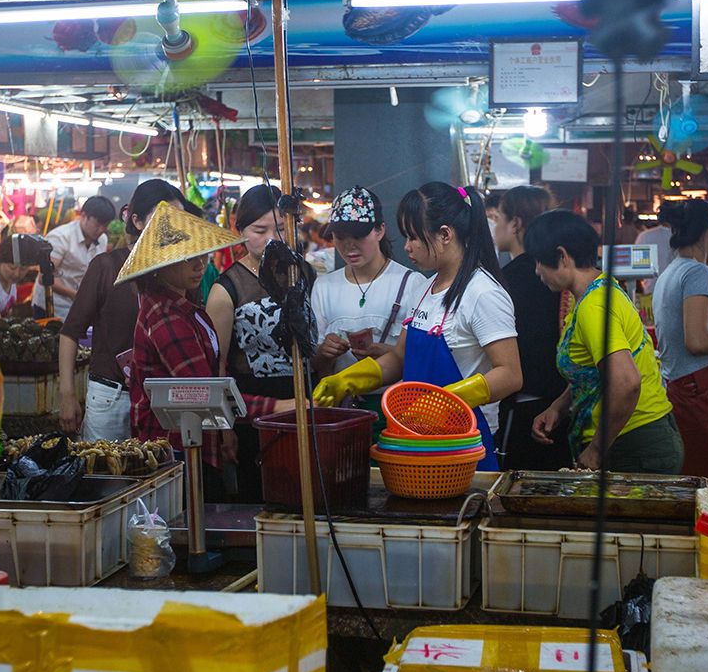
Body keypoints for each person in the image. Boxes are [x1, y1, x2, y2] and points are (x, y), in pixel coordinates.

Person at [313, 183, 523, 470]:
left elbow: (510, 374)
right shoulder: (424, 289)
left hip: (463, 439)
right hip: (416, 435)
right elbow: (400, 357)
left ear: (445, 234)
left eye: (413, 237)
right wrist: (348, 379)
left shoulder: (483, 293)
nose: (407, 246)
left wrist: (443, 404)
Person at [121, 202, 291, 501]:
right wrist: (278, 407)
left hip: (192, 442)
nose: (200, 264)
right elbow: (204, 393)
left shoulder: (181, 304)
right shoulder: (166, 317)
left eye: (202, 254)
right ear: (162, 264)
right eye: (188, 258)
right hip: (174, 451)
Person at [522, 210, 682, 473]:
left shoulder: (594, 306)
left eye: (540, 261)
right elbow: (594, 373)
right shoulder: (591, 293)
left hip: (635, 444)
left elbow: (626, 382)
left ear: (562, 256)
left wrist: (596, 449)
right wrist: (558, 408)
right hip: (633, 438)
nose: (537, 271)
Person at [58, 179, 188, 440]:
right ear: (137, 221)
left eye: (179, 219)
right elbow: (70, 332)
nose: (171, 227)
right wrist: (68, 395)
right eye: (162, 218)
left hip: (162, 401)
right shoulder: (106, 267)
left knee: (161, 477)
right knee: (109, 476)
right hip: (112, 397)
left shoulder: (181, 272)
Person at [310, 187, 429, 433]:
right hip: (341, 410)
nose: (349, 246)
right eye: (340, 236)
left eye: (359, 235)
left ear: (380, 230)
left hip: (396, 407)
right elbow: (316, 363)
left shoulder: (411, 283)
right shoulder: (324, 286)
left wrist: (390, 354)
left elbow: (422, 359)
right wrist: (325, 352)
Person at [206, 185, 299, 501]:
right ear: (240, 229)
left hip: (301, 395)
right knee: (261, 494)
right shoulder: (226, 289)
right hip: (252, 406)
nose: (272, 238)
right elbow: (216, 366)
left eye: (281, 229)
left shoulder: (298, 275)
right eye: (260, 230)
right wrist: (224, 426)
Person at [651, 200, 708, 478]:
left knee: (692, 470)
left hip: (680, 385)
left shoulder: (673, 271)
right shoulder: (696, 273)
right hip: (695, 388)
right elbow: (697, 341)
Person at [491, 185, 570, 471]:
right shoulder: (557, 274)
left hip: (526, 410)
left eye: (499, 217)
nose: (495, 226)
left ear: (516, 223)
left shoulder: (509, 280)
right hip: (559, 404)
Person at [32, 195, 116, 318]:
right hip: (51, 305)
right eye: (98, 224)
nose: (102, 230)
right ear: (83, 216)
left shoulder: (102, 240)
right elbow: (44, 277)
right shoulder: (59, 237)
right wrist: (75, 294)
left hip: (77, 305)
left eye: (105, 225)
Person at [635, 217, 673, 290]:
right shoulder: (687, 237)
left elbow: (638, 272)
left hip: (652, 291)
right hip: (681, 293)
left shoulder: (645, 236)